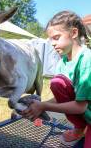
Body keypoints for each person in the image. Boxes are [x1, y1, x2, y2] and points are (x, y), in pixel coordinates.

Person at [21, 10, 91, 148]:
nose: (52, 43)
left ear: (74, 33)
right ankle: (80, 127)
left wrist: (44, 106)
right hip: (86, 114)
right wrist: (40, 106)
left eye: (56, 37)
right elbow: (63, 97)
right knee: (58, 83)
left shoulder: (87, 60)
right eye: (50, 39)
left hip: (84, 110)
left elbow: (81, 106)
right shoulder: (62, 62)